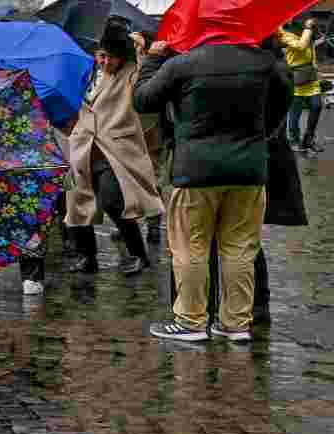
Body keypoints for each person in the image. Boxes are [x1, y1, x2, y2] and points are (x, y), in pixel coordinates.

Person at [134, 34, 292, 342]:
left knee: (191, 246)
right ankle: (235, 324)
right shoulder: (263, 62)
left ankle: (191, 322)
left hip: (195, 172)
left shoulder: (182, 64)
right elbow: (284, 100)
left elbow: (142, 100)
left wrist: (153, 58)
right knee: (240, 248)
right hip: (248, 170)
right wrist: (259, 136)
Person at [64, 24, 162, 276]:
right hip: (83, 146)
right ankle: (87, 257)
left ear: (122, 57)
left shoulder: (130, 73)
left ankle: (138, 254)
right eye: (101, 55)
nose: (105, 61)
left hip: (114, 149)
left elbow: (145, 82)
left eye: (111, 56)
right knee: (77, 202)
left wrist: (144, 54)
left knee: (112, 200)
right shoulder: (88, 72)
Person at [278, 17, 326, 155]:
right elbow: (301, 45)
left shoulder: (303, 27)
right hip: (296, 76)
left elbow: (311, 45)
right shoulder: (283, 32)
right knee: (295, 112)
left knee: (317, 106)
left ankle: (308, 139)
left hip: (310, 74)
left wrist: (315, 29)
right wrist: (308, 28)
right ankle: (294, 140)